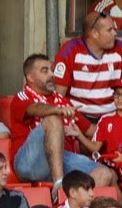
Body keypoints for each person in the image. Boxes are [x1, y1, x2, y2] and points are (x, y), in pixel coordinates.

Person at [9, 54, 109, 190]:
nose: (51, 74)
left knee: (105, 174)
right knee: (53, 118)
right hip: (30, 162)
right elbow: (34, 109)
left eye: (51, 69)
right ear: (30, 77)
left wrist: (118, 128)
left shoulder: (61, 100)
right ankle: (59, 184)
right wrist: (58, 110)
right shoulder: (22, 97)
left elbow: (90, 130)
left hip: (62, 158)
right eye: (45, 71)